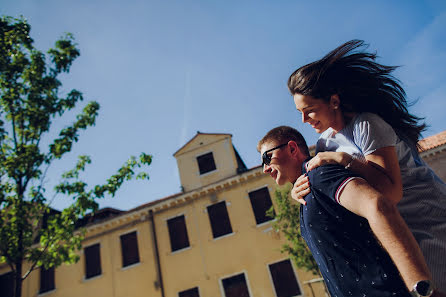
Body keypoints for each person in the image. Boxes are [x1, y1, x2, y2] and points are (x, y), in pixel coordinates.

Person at [287, 40, 446, 291]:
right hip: (399, 231)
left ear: (334, 101)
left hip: (432, 221)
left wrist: (343, 160)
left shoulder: (367, 125)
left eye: (310, 110)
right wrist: (299, 191)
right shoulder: (325, 142)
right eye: (300, 112)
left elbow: (391, 192)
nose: (304, 119)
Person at [258, 126, 444, 297]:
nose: (265, 169)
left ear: (291, 148)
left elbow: (379, 206)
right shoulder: (308, 188)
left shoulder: (320, 175)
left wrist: (422, 289)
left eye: (267, 158)